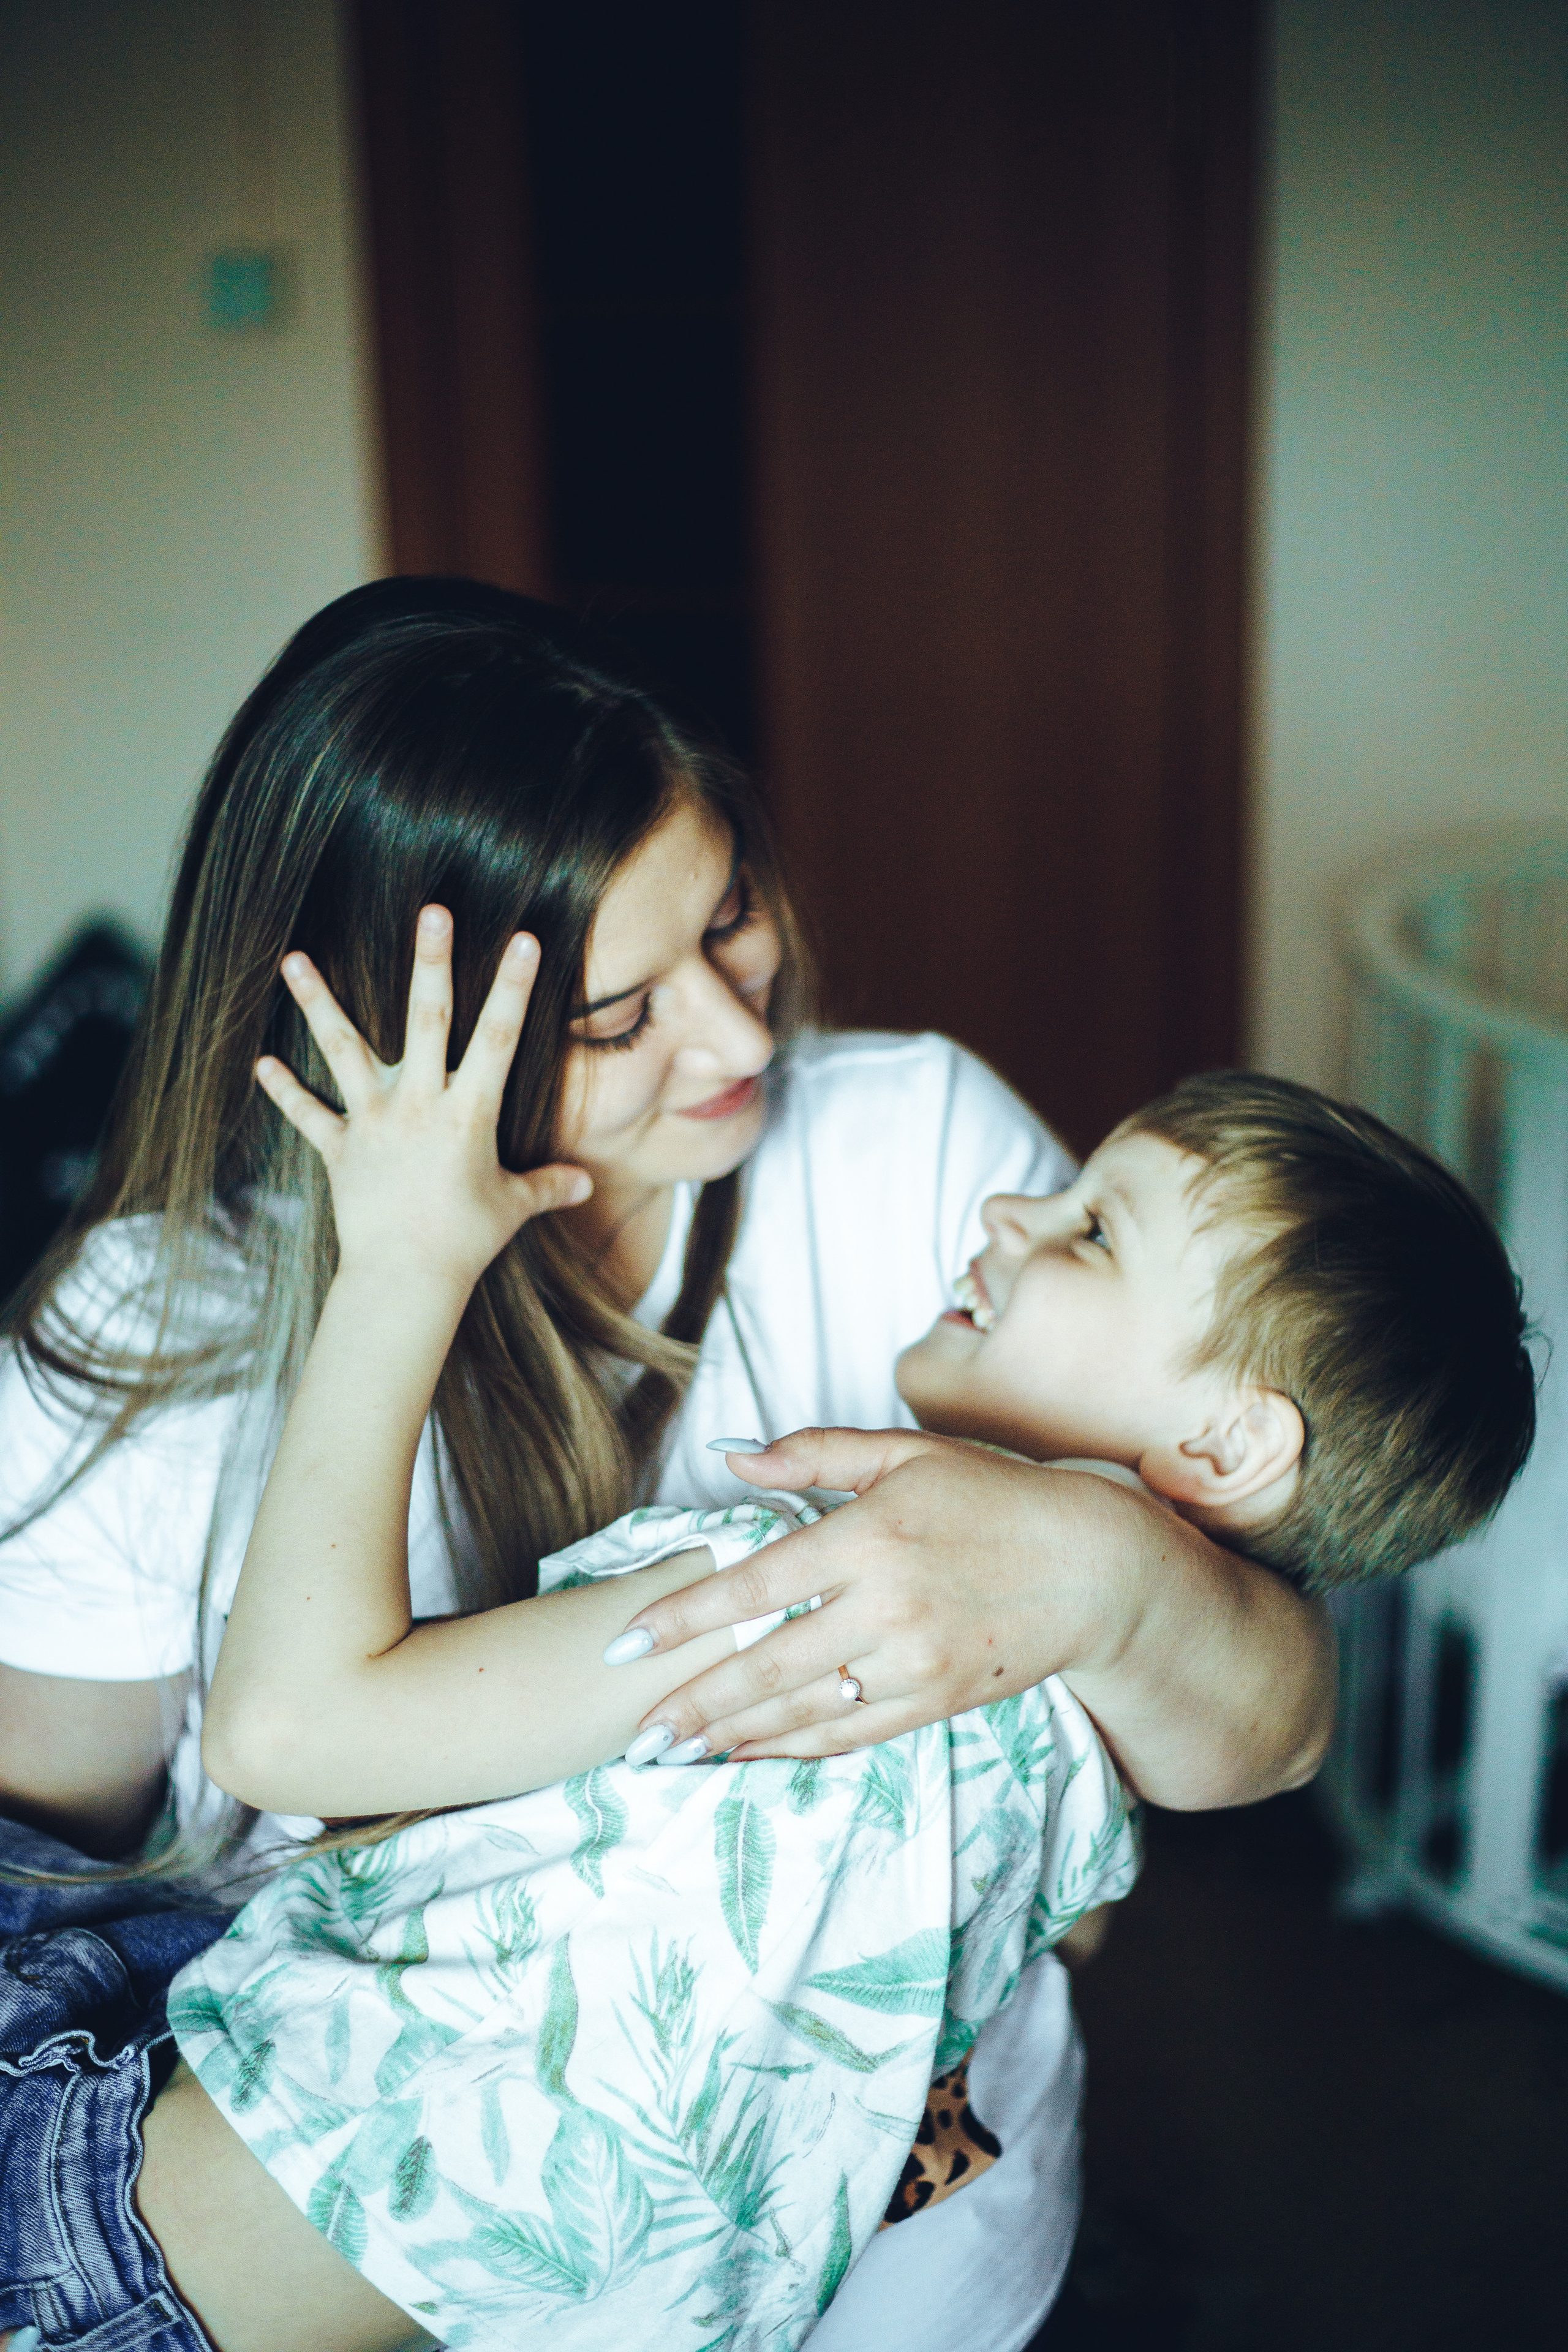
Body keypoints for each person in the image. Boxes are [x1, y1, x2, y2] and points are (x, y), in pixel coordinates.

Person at [0, 584, 1333, 2352]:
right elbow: (70, 1878)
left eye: (736, 924)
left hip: (912, 2269)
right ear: (376, 1042)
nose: (739, 1041)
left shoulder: (915, 1149)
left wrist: (1098, 1573)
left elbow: (1276, 1716)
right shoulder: (161, 1335)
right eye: (620, 1017)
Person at [154, 1057, 1534, 2352]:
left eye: (1093, 1232)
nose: (1007, 1208)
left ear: (1226, 1445)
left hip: (136, 2235)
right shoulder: (1079, 1761)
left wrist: (396, 1263)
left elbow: (289, 1734)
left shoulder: (841, 1590)